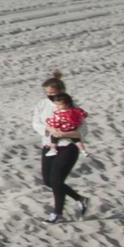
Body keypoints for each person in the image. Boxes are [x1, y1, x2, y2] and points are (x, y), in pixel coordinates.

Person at [40, 90, 89, 223]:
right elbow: (38, 123)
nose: (49, 95)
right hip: (48, 146)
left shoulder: (74, 111)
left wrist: (63, 133)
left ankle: (58, 214)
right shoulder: (43, 106)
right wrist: (49, 128)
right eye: (47, 93)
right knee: (48, 181)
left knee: (56, 181)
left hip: (68, 147)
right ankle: (80, 199)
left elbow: (82, 132)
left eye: (52, 93)